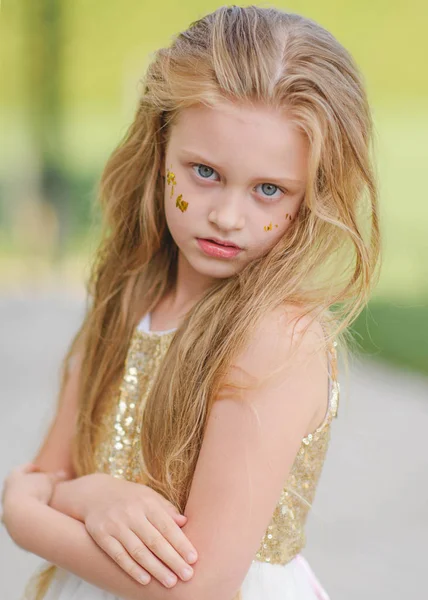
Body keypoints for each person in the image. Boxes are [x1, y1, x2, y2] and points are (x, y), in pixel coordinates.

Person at [1, 5, 380, 600]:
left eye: (268, 190)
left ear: (314, 194)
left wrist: (39, 510)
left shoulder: (275, 339)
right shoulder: (130, 297)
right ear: (159, 151)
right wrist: (78, 494)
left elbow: (197, 587)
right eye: (204, 171)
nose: (228, 217)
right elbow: (52, 468)